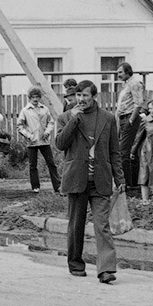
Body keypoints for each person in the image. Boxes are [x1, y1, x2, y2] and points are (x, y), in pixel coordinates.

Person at [55, 80, 123, 284]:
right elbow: (60, 144)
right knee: (76, 225)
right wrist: (73, 121)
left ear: (94, 96)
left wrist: (120, 178)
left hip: (101, 180)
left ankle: (106, 270)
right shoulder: (65, 117)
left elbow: (114, 151)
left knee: (102, 226)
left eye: (85, 95)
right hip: (76, 178)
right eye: (78, 95)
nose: (81, 99)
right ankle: (75, 263)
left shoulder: (108, 119)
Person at [16, 85, 60, 193]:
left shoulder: (44, 109)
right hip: (32, 142)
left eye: (37, 97)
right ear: (29, 98)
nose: (35, 99)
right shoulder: (25, 111)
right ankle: (35, 187)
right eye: (33, 97)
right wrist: (29, 136)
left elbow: (51, 122)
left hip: (44, 141)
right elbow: (19, 126)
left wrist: (47, 132)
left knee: (51, 163)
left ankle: (57, 185)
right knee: (33, 165)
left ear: (40, 97)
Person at [114, 62, 144, 191]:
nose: (118, 75)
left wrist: (131, 120)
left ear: (128, 72)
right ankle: (130, 182)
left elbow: (138, 103)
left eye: (120, 72)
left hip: (129, 118)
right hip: (122, 118)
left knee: (123, 152)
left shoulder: (135, 83)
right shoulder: (125, 85)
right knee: (124, 151)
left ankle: (127, 184)